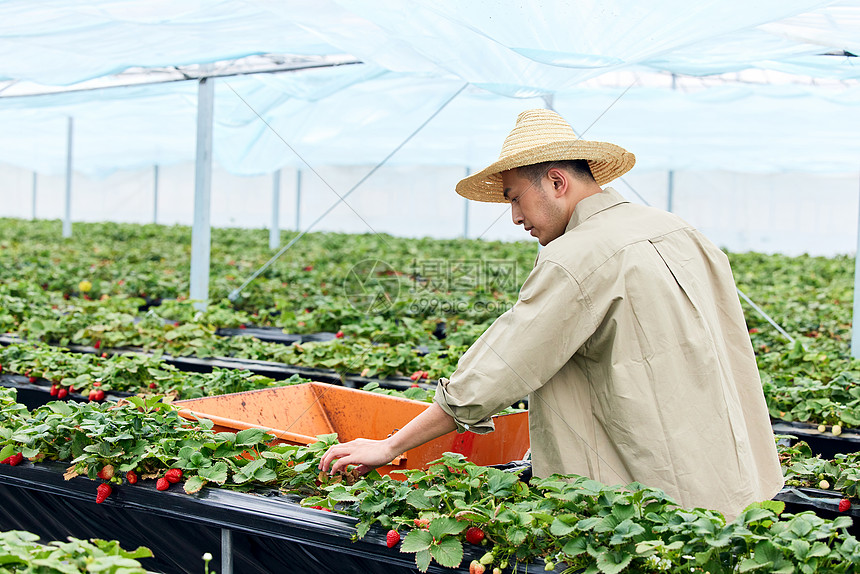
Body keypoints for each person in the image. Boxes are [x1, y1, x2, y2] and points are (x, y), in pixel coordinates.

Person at [320, 108, 784, 520]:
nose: (515, 217)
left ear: (557, 182)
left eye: (514, 197)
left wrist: (391, 445)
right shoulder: (680, 230)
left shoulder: (577, 255)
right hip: (735, 478)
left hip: (644, 503)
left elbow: (497, 371)